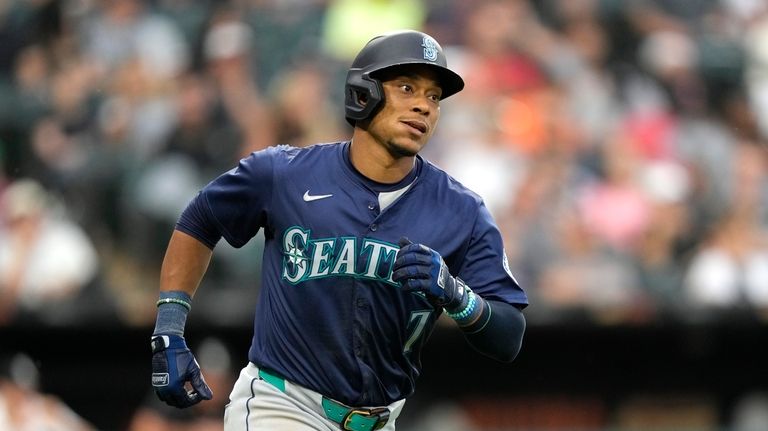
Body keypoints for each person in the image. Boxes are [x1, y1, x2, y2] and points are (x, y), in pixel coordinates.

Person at [149, 29, 528, 431]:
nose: (423, 107)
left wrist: (459, 297)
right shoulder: (283, 174)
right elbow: (200, 220)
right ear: (363, 93)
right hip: (282, 406)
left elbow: (509, 336)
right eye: (406, 88)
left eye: (433, 97)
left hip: (381, 422)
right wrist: (169, 328)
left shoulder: (462, 210)